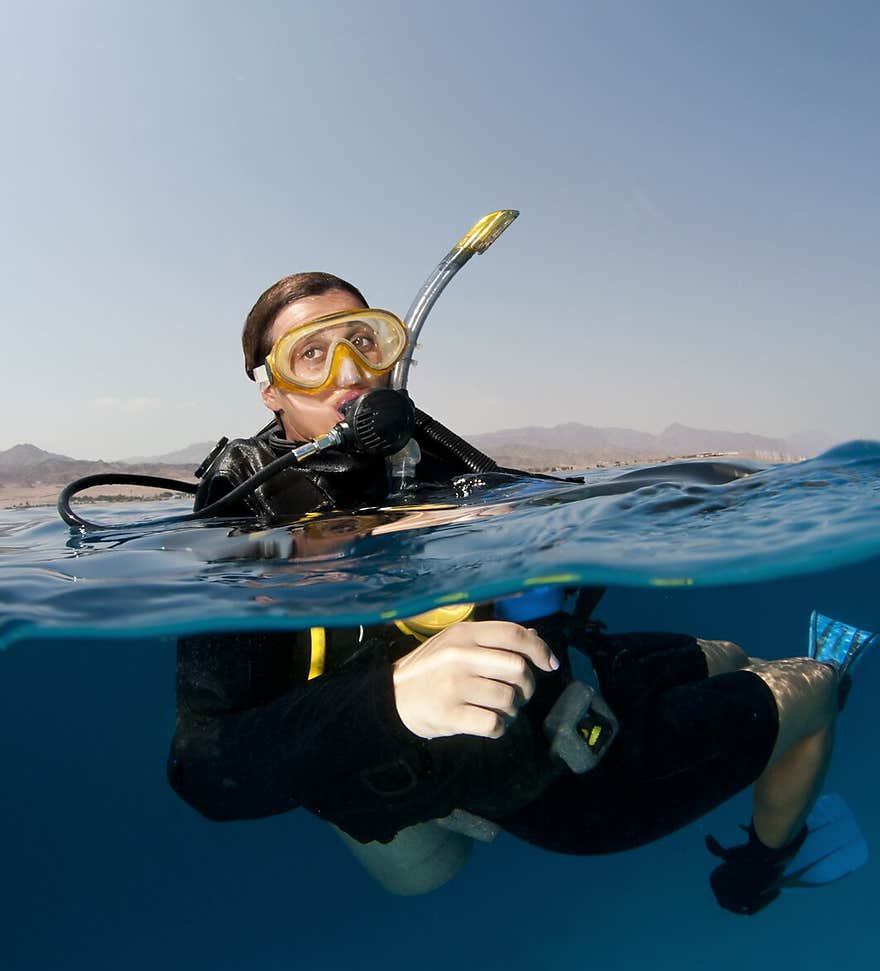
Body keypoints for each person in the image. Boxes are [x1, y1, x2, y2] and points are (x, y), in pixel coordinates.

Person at [167, 271, 874, 916]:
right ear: (272, 390)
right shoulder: (245, 506)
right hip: (554, 780)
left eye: (363, 339)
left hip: (567, 678)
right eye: (311, 355)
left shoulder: (419, 455)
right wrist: (392, 697)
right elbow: (204, 766)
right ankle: (761, 872)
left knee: (731, 652)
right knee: (812, 685)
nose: (349, 370)